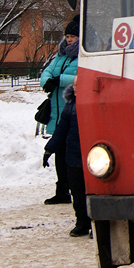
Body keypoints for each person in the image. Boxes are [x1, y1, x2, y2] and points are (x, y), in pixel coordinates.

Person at [39, 17, 79, 205]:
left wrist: (59, 79)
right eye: (68, 36)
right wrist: (47, 81)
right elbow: (47, 72)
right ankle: (62, 190)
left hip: (71, 111)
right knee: (59, 153)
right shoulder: (61, 55)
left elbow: (82, 77)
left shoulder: (83, 55)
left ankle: (75, 189)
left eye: (73, 36)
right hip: (57, 111)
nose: (69, 40)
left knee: (70, 154)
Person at [43, 84, 90, 237]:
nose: (77, 88)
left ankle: (97, 223)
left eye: (80, 85)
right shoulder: (70, 107)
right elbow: (61, 130)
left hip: (94, 157)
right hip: (74, 157)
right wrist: (50, 149)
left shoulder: (95, 104)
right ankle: (82, 223)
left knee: (94, 193)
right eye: (75, 86)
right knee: (77, 193)